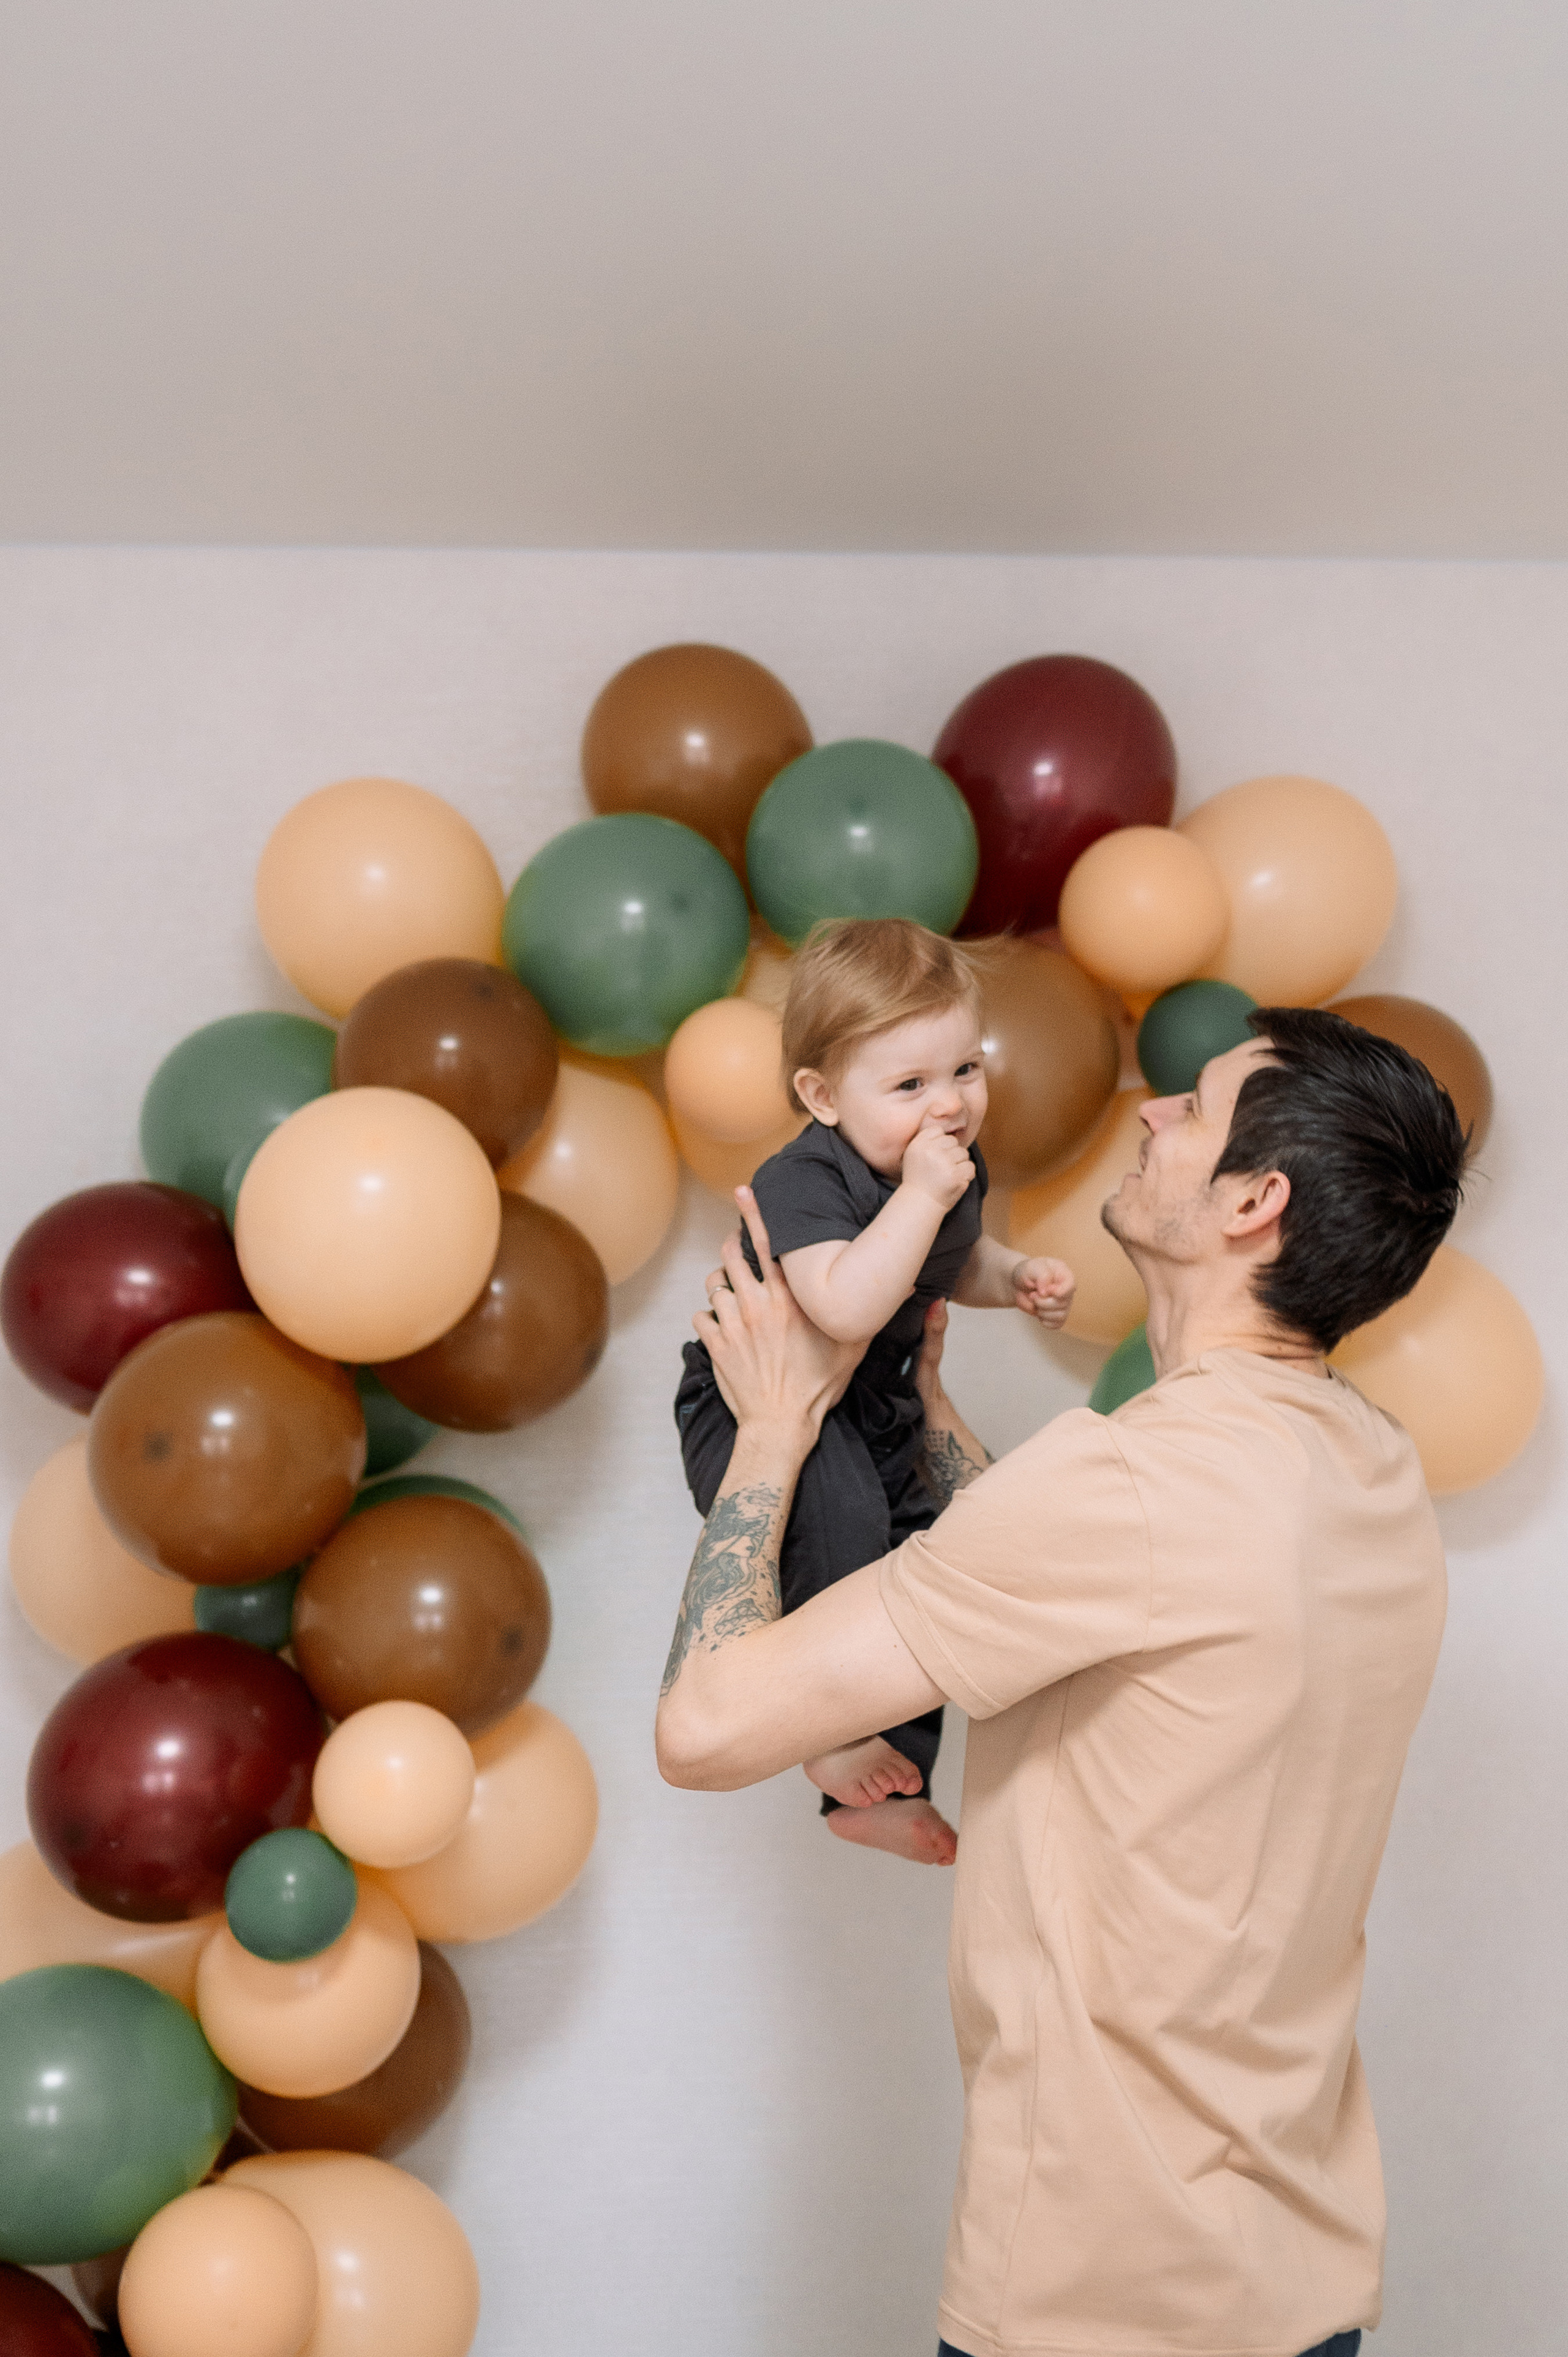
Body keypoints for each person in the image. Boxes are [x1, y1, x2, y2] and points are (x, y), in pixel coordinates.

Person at [656, 1008, 1468, 2357]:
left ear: (1253, 1202)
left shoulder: (1127, 1484)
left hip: (1098, 2294)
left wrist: (777, 1422)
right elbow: (1134, 1603)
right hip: (1295, 2277)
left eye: (1193, 1110)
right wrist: (923, 1407)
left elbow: (703, 1726)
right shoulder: (1370, 1466)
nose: (1150, 1115)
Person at [674, 918, 1074, 1867]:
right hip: (754, 1402)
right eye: (910, 1085)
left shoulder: (938, 1170)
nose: (950, 1107)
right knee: (844, 1528)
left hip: (869, 1401)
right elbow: (848, 1303)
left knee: (921, 1558)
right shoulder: (804, 1181)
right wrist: (926, 1198)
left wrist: (1010, 1276)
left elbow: (949, 1262)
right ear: (820, 1095)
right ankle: (826, 1739)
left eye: (965, 1071)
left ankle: (886, 1780)